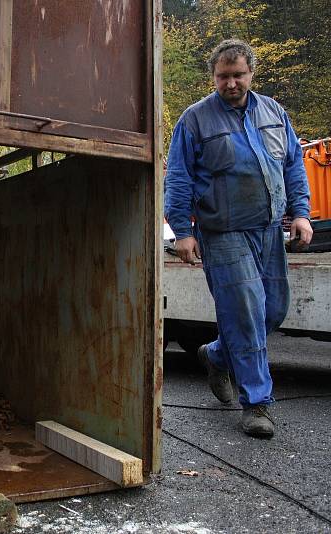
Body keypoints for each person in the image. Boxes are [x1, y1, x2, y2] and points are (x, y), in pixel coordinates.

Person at [165, 39, 312, 439]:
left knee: (274, 310)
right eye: (223, 76)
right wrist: (183, 231)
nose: (231, 83)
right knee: (246, 313)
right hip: (224, 233)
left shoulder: (274, 112)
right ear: (213, 77)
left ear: (251, 73)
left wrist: (301, 213)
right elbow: (177, 177)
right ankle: (257, 403)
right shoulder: (195, 120)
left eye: (238, 75)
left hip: (268, 229)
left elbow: (293, 164)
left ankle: (216, 354)